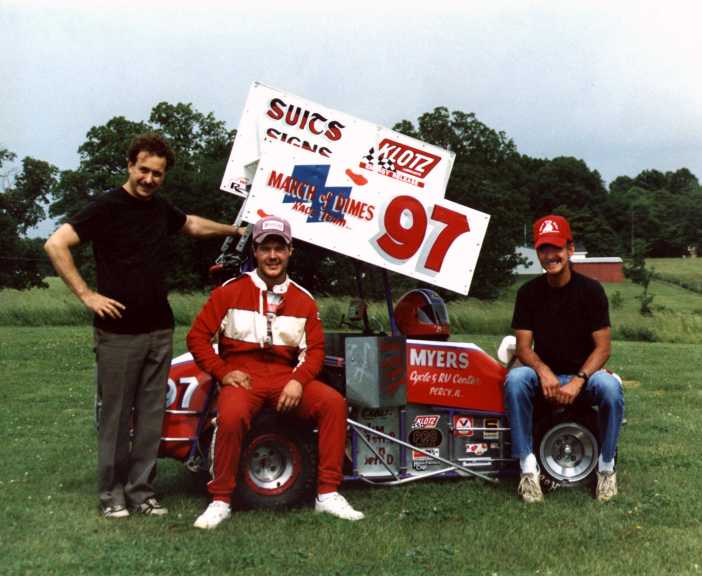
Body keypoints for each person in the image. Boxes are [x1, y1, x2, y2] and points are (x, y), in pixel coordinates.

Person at [44, 133, 243, 519]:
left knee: (152, 416)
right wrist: (87, 295)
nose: (149, 179)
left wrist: (236, 232)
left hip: (158, 330)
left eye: (158, 173)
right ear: (130, 166)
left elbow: (193, 226)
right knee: (117, 417)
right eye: (143, 170)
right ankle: (111, 494)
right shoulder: (105, 206)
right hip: (118, 333)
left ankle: (141, 491)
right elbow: (55, 244)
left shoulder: (160, 208)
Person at [186, 215, 364, 529]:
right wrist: (223, 372)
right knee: (230, 415)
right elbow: (197, 338)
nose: (272, 256)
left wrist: (298, 381)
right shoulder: (230, 292)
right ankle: (221, 499)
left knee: (333, 404)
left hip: (285, 376)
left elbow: (316, 351)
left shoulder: (303, 300)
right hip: (244, 377)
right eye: (265, 248)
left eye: (279, 249)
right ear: (254, 251)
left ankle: (328, 494)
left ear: (290, 251)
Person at [503, 214, 624, 503]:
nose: (550, 255)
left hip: (584, 376)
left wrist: (579, 382)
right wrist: (543, 371)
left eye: (556, 248)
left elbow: (603, 349)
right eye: (544, 249)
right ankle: (528, 471)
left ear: (569, 249)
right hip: (546, 376)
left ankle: (606, 469)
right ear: (537, 253)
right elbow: (523, 347)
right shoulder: (528, 293)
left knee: (611, 388)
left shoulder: (591, 291)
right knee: (516, 378)